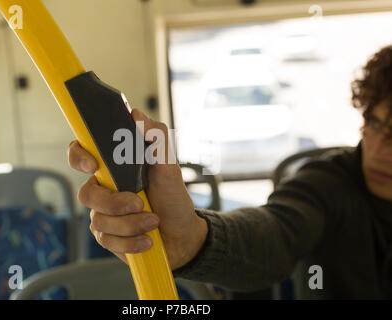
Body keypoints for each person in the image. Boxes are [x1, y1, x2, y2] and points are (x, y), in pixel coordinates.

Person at [67, 45, 392, 299]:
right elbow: (274, 234)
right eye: (375, 123)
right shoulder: (327, 182)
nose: (380, 150)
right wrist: (191, 238)